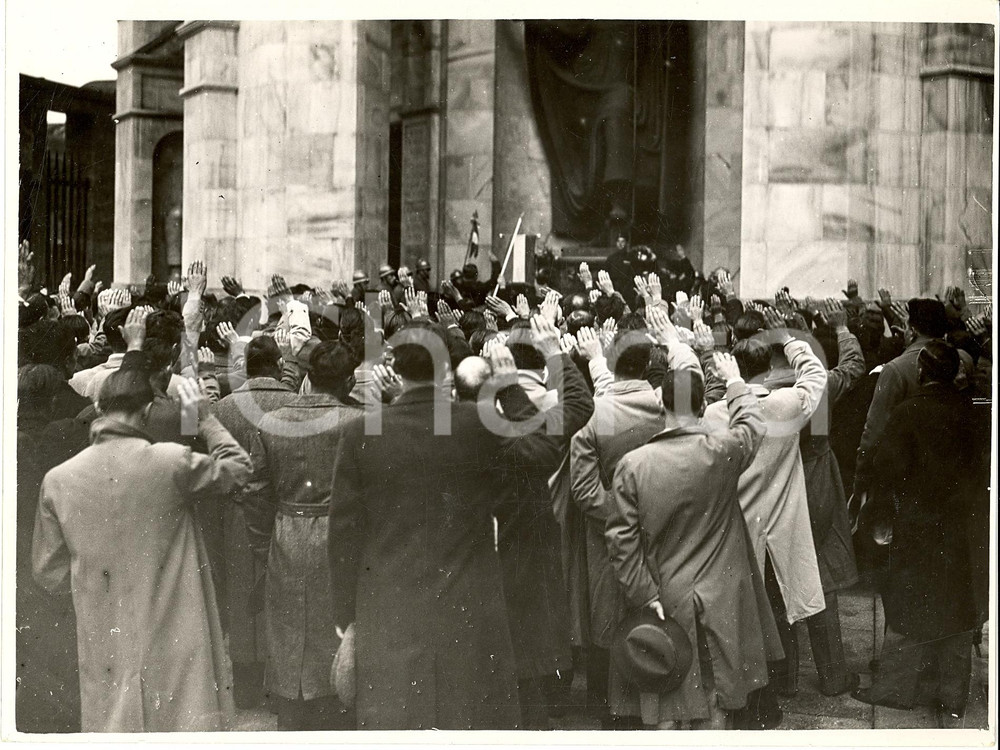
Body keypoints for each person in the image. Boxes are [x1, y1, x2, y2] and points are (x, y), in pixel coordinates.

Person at [327, 326, 544, 730]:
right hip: (469, 601)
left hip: (389, 603)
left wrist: (344, 611)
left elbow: (344, 530)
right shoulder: (477, 423)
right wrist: (510, 388)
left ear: (394, 367)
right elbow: (541, 451)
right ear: (446, 369)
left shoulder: (361, 433)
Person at [31, 373, 251, 732]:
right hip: (176, 633)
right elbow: (239, 468)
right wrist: (206, 419)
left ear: (100, 408)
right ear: (147, 412)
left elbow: (48, 572)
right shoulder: (172, 461)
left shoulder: (58, 480)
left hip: (104, 636)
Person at [605, 352, 771, 729]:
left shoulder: (633, 465)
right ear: (702, 408)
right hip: (721, 596)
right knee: (716, 702)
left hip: (665, 595)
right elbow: (753, 423)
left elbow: (621, 543)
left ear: (661, 402)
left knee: (666, 700)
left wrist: (644, 594)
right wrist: (735, 383)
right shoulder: (724, 451)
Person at [853, 341, 990, 727]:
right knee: (958, 607)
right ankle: (952, 697)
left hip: (918, 524)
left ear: (921, 373)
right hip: (962, 525)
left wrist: (877, 512)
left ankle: (895, 691)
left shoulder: (908, 413)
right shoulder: (974, 412)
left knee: (908, 602)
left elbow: (884, 468)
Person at [704, 308, 828, 727]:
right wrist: (789, 338)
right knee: (778, 611)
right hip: (779, 522)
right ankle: (779, 686)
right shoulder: (785, 405)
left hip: (735, 530)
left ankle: (749, 688)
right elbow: (816, 376)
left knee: (742, 618)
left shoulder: (717, 415)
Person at [242, 341, 362, 730]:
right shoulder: (357, 422)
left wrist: (264, 545)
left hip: (286, 534)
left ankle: (293, 720)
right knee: (339, 635)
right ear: (348, 381)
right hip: (342, 537)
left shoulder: (271, 421)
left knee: (289, 636)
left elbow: (256, 494)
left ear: (308, 376)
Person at [493, 317, 595, 728]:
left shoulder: (465, 416)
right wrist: (557, 352)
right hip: (531, 547)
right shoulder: (540, 414)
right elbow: (580, 405)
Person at [212, 335, 298, 707]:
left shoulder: (224, 408)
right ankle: (282, 684)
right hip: (284, 510)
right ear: (279, 366)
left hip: (236, 512)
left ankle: (246, 684)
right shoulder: (296, 404)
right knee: (283, 594)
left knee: (241, 590)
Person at [851, 298, 948, 513]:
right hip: (948, 481)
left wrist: (860, 484)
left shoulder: (895, 370)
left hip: (905, 484)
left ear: (911, 331)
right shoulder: (958, 360)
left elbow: (873, 433)